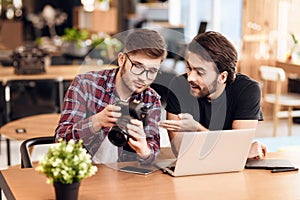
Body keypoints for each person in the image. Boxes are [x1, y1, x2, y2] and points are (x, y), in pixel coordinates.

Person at [55, 29, 167, 164]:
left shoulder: (151, 99)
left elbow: (152, 149)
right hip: (82, 172)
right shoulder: (86, 84)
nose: (144, 78)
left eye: (152, 71)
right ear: (121, 59)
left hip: (125, 178)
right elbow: (60, 140)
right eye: (137, 66)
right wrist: (97, 121)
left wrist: (144, 150)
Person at [159, 31, 267, 159]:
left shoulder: (247, 90)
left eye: (200, 72)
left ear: (222, 77)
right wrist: (237, 150)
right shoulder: (179, 86)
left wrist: (197, 129)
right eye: (189, 67)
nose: (190, 78)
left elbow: (239, 148)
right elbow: (180, 150)